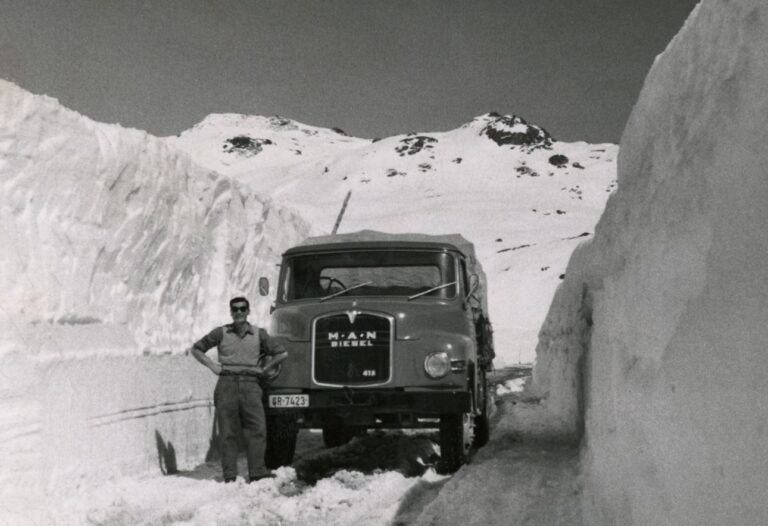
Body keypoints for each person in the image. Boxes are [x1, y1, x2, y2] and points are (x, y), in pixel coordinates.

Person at [189, 296, 287, 483]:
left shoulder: (259, 334)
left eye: (243, 309)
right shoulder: (221, 332)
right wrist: (212, 366)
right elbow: (196, 349)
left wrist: (264, 369)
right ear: (231, 312)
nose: (239, 313)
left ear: (248, 311)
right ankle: (229, 476)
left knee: (257, 429)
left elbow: (282, 353)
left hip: (251, 384)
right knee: (227, 431)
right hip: (227, 383)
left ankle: (257, 473)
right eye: (235, 309)